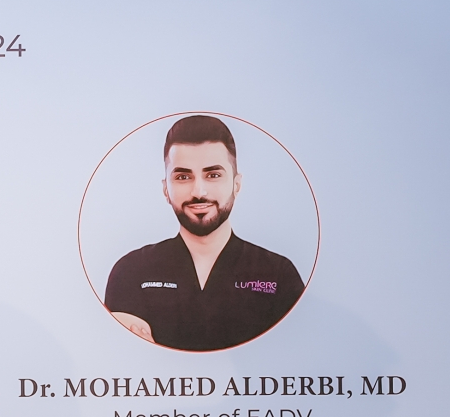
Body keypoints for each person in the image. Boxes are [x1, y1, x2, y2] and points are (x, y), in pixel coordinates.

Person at [104, 115, 305, 352]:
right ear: (166, 189)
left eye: (213, 175)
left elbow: (297, 357)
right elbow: (123, 360)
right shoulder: (132, 272)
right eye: (183, 177)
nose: (199, 191)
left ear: (236, 185)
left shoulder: (278, 275)